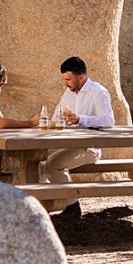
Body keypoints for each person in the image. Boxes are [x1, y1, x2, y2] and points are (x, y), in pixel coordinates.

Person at [42, 55, 115, 188]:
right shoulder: (68, 92)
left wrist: (80, 119)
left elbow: (108, 120)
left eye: (68, 79)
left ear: (81, 77)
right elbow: (56, 118)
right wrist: (51, 123)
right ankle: (45, 198)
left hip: (89, 147)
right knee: (37, 159)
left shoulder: (98, 92)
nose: (66, 83)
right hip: (65, 143)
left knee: (53, 164)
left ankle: (71, 200)